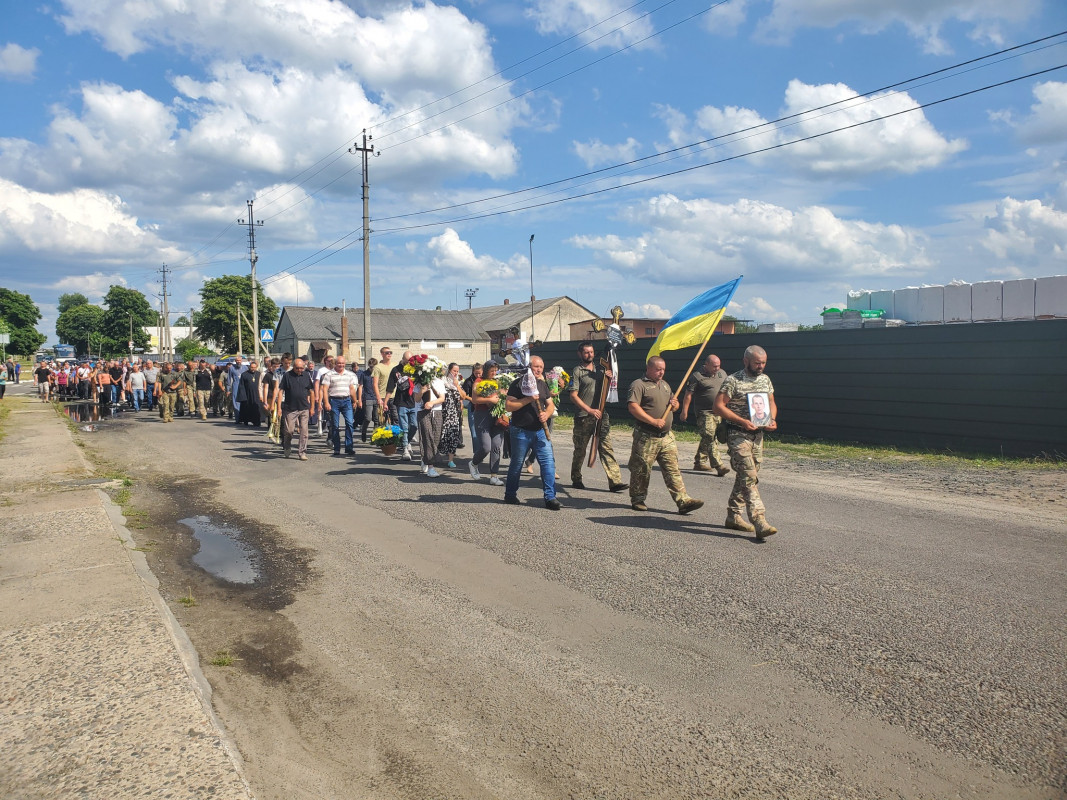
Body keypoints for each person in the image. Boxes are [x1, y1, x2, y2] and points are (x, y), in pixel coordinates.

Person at [713, 345, 779, 539]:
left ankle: (733, 516)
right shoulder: (733, 381)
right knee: (749, 476)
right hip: (737, 434)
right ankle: (759, 520)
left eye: (764, 363)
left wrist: (772, 419)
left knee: (747, 475)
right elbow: (718, 406)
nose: (761, 366)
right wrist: (741, 421)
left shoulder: (765, 380)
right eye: (757, 363)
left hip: (757, 436)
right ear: (746, 361)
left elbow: (771, 402)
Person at [626, 357, 703, 515]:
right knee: (641, 470)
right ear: (649, 368)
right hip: (646, 436)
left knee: (672, 468)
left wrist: (676, 405)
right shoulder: (639, 385)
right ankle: (638, 498)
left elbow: (674, 404)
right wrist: (653, 421)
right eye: (658, 369)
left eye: (663, 370)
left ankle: (683, 501)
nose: (661, 372)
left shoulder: (665, 385)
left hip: (666, 437)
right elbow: (633, 407)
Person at [568, 341, 627, 492]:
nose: (589, 355)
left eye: (592, 352)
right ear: (580, 354)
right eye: (586, 352)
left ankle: (615, 481)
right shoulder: (577, 371)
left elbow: (607, 390)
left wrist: (608, 377)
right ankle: (576, 477)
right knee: (580, 450)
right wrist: (589, 410)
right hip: (583, 417)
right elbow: (573, 396)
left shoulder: (601, 370)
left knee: (606, 447)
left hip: (601, 415)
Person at [504, 357, 560, 510]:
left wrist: (547, 415)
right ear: (529, 367)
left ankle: (550, 497)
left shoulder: (542, 384)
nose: (539, 369)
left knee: (548, 463)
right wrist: (528, 399)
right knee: (517, 464)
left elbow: (550, 405)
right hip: (520, 431)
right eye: (536, 366)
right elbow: (509, 406)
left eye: (541, 367)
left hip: (541, 432)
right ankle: (510, 494)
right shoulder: (517, 384)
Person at [680, 354, 730, 476]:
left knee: (709, 437)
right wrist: (684, 411)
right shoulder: (697, 377)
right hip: (704, 412)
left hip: (719, 412)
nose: (717, 368)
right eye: (714, 366)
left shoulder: (722, 374)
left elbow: (728, 390)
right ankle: (719, 465)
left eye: (718, 365)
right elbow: (688, 395)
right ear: (706, 365)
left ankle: (699, 462)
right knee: (709, 436)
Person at [469, 360, 505, 486]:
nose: (494, 373)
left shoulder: (498, 381)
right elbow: (474, 399)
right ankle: (473, 463)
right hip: (482, 416)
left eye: (496, 370)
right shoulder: (479, 381)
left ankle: (494, 476)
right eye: (492, 371)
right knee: (486, 447)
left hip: (497, 416)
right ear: (486, 370)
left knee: (496, 445)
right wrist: (489, 399)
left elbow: (503, 396)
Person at [276, 357, 314, 460]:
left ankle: (302, 452)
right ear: (294, 367)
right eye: (297, 368)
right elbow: (280, 392)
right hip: (290, 408)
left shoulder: (306, 375)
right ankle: (287, 445)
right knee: (289, 431)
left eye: (301, 368)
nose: (299, 370)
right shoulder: (287, 376)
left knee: (304, 431)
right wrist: (279, 408)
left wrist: (312, 407)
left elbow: (311, 391)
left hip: (304, 407)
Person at [321, 356, 359, 455]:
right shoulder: (329, 374)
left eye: (343, 363)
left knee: (350, 424)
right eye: (339, 363)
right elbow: (324, 389)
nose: (341, 365)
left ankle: (349, 447)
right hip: (334, 401)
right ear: (335, 363)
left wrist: (355, 401)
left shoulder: (349, 374)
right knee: (335, 426)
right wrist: (326, 402)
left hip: (346, 401)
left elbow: (351, 389)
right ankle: (337, 448)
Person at [386, 350, 419, 460]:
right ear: (403, 359)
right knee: (404, 427)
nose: (408, 363)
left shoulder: (415, 369)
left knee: (414, 426)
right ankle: (405, 449)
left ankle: (407, 442)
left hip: (414, 401)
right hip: (401, 402)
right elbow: (390, 387)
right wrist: (385, 402)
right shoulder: (396, 370)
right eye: (406, 361)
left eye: (410, 361)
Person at [416, 365, 447, 477]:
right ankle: (431, 467)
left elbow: (442, 398)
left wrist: (432, 403)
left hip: (437, 411)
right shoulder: (419, 382)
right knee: (427, 436)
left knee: (436, 438)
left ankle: (425, 457)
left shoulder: (439, 382)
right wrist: (422, 390)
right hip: (423, 412)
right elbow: (416, 399)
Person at [357, 357, 379, 442]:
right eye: (371, 367)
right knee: (368, 418)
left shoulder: (377, 373)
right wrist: (359, 399)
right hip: (367, 398)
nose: (372, 368)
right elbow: (360, 386)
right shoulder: (364, 374)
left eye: (373, 367)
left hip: (377, 397)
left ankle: (375, 437)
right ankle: (364, 431)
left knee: (377, 419)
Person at [461, 363, 483, 446]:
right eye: (475, 373)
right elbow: (464, 395)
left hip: (485, 407)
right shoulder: (469, 381)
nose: (477, 375)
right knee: (474, 433)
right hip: (473, 407)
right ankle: (477, 455)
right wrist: (473, 399)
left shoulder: (486, 380)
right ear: (472, 372)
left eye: (479, 373)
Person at [236, 360, 263, 426]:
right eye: (251, 367)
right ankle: (246, 421)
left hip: (256, 394)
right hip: (247, 395)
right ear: (249, 367)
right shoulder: (244, 374)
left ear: (256, 367)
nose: (253, 369)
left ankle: (256, 421)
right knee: (246, 408)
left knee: (256, 408)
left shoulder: (259, 374)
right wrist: (243, 396)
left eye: (254, 367)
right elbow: (241, 386)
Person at [371, 347, 393, 425]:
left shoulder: (394, 366)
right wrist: (378, 398)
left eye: (390, 352)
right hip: (383, 396)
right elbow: (375, 384)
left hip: (393, 396)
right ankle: (382, 436)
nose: (389, 354)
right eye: (387, 353)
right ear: (382, 354)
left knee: (395, 420)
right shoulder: (378, 367)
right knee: (382, 420)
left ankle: (394, 437)